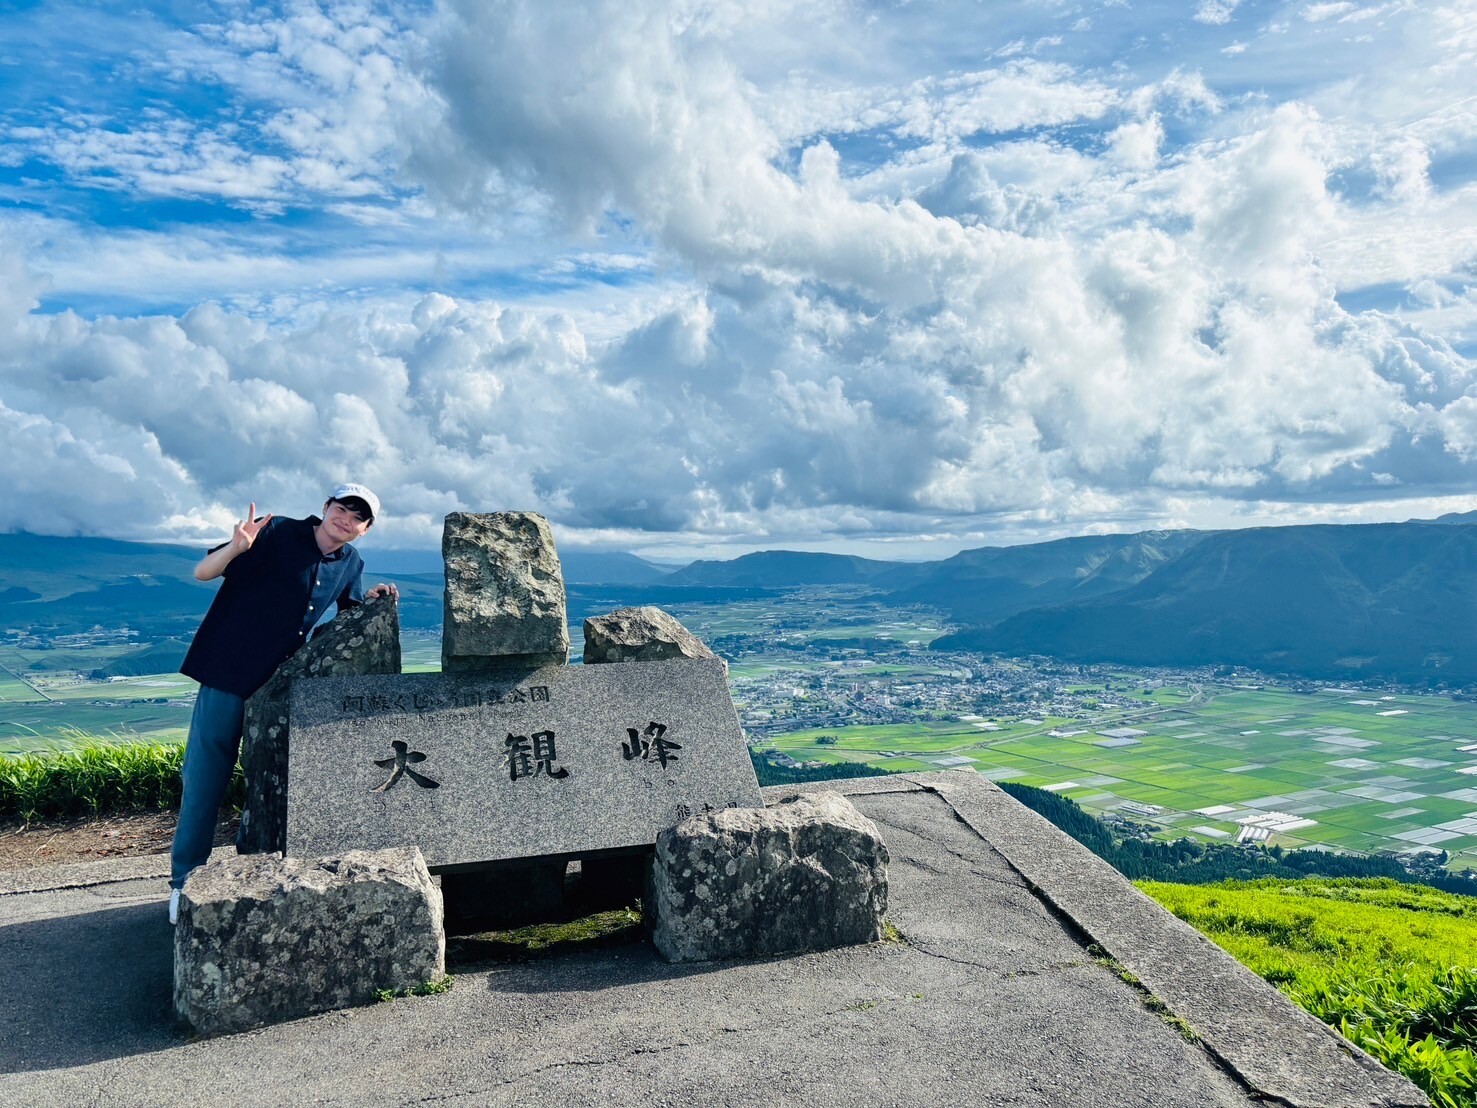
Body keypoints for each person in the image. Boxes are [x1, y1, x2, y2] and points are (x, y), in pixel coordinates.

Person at [168, 483, 399, 923]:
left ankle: (257, 871)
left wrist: (371, 600)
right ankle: (183, 882)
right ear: (325, 507)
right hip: (228, 674)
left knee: (270, 783)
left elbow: (348, 611)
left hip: (278, 690)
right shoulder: (275, 532)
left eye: (358, 517)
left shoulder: (351, 562)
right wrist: (236, 548)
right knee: (204, 781)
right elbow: (203, 572)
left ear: (365, 529)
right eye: (342, 508)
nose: (346, 519)